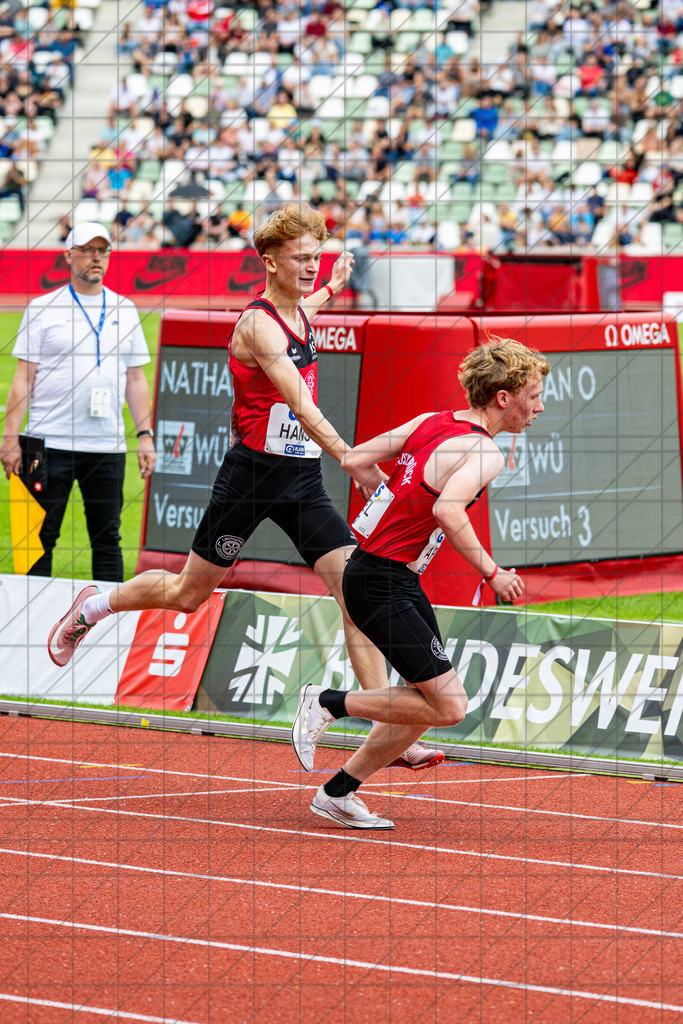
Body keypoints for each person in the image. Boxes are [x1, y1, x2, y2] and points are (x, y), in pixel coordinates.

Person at [45, 203, 447, 773]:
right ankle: (92, 606)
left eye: (317, 258)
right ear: (269, 262)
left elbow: (306, 308)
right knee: (189, 593)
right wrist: (353, 459)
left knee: (357, 597)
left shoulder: (302, 308)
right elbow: (302, 407)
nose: (311, 267)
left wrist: (331, 287)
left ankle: (392, 729)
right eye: (301, 259)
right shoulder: (257, 325)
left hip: (302, 481)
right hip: (252, 480)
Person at [292, 337, 550, 829]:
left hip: (387, 577)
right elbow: (447, 509)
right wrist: (493, 573)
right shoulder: (486, 452)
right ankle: (326, 702)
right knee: (449, 705)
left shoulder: (431, 422)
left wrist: (382, 489)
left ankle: (339, 793)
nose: (539, 406)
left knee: (424, 704)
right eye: (533, 395)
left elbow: (354, 460)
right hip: (382, 581)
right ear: (504, 398)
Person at [0, 221, 156, 582]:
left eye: (102, 250)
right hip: (46, 442)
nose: (96, 257)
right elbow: (24, 377)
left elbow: (136, 379)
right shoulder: (42, 308)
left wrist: (144, 434)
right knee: (35, 541)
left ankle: (107, 628)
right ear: (69, 255)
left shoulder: (125, 309)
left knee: (107, 541)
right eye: (87, 250)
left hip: (107, 445)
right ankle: (31, 625)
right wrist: (11, 437)